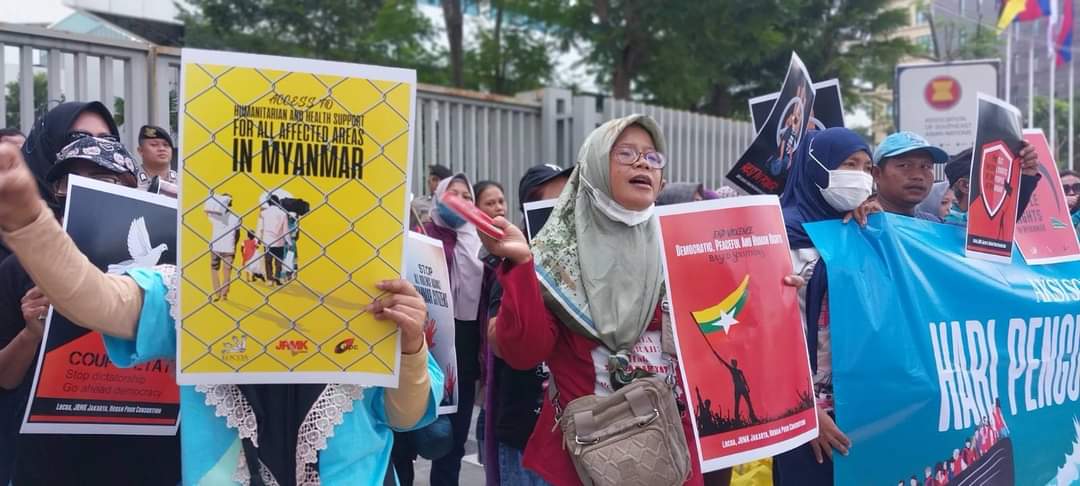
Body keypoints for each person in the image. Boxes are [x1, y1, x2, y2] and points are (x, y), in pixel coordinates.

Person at [0, 139, 445, 485]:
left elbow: (404, 416)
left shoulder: (376, 294)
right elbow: (96, 299)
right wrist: (29, 223)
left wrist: (407, 346)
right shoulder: (195, 289)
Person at [481, 114, 804, 486]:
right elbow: (524, 351)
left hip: (673, 452)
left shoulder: (688, 247)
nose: (642, 163)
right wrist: (521, 266)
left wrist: (775, 294)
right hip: (590, 457)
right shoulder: (554, 256)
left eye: (652, 157)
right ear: (595, 168)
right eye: (626, 153)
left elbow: (729, 336)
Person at [0, 102, 183, 485]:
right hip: (54, 457)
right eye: (73, 179)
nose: (91, 187)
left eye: (109, 178)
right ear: (55, 187)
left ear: (135, 186)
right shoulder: (20, 266)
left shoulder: (175, 267)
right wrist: (31, 335)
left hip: (149, 451)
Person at [773, 127, 873, 486]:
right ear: (815, 167)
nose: (860, 176)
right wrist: (804, 412)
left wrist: (881, 226)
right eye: (849, 164)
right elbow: (762, 338)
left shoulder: (865, 231)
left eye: (866, 167)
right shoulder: (775, 238)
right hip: (803, 413)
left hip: (866, 408)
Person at [482, 163, 570, 486]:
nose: (568, 205)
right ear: (533, 206)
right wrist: (524, 279)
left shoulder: (583, 263)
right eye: (558, 198)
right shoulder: (511, 266)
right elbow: (496, 341)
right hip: (525, 435)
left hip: (575, 433)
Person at [938, 143, 1041, 226]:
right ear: (965, 185)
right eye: (992, 178)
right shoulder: (947, 228)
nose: (1003, 186)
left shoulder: (991, 225)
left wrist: (1026, 175)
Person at [205, 193, 241, 301]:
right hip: (229, 247)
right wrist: (234, 244)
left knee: (214, 269)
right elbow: (238, 234)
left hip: (216, 246)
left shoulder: (215, 215)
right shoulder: (236, 217)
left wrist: (216, 202)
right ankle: (224, 294)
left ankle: (217, 293)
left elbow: (206, 210)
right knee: (227, 271)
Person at [258, 194, 289, 285]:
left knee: (268, 260)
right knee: (278, 261)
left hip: (267, 241)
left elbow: (261, 227)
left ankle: (270, 279)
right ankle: (277, 277)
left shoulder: (264, 213)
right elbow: (285, 230)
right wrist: (289, 241)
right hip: (279, 241)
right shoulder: (283, 214)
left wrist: (259, 238)